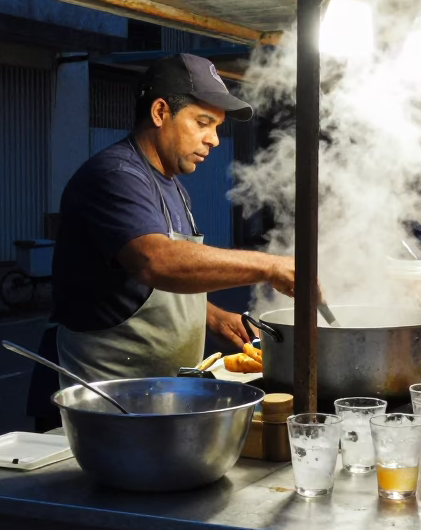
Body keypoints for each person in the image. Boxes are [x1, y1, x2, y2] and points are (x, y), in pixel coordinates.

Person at [50, 54, 296, 382]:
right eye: (203, 122)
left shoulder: (174, 187)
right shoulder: (114, 176)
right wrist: (270, 266)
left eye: (217, 127)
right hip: (112, 398)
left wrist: (210, 316)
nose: (213, 139)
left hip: (168, 392)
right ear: (160, 112)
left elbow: (136, 287)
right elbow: (155, 262)